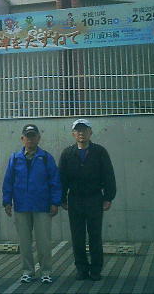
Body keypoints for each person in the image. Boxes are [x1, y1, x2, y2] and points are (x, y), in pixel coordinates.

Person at [2, 124, 62, 284]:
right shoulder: (15, 158)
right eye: (27, 136)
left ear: (38, 138)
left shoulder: (46, 158)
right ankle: (27, 271)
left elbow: (55, 181)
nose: (30, 139)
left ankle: (46, 271)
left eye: (33, 136)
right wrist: (7, 201)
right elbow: (8, 181)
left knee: (44, 242)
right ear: (22, 139)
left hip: (42, 207)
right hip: (21, 206)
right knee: (24, 242)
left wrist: (55, 202)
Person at [59, 119, 116, 281]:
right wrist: (62, 198)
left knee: (95, 236)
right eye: (78, 130)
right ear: (73, 134)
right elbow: (61, 178)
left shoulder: (100, 152)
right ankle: (81, 269)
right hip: (75, 200)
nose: (81, 133)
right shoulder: (67, 153)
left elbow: (108, 175)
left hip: (94, 199)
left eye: (84, 130)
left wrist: (108, 197)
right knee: (77, 236)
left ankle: (96, 270)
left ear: (90, 132)